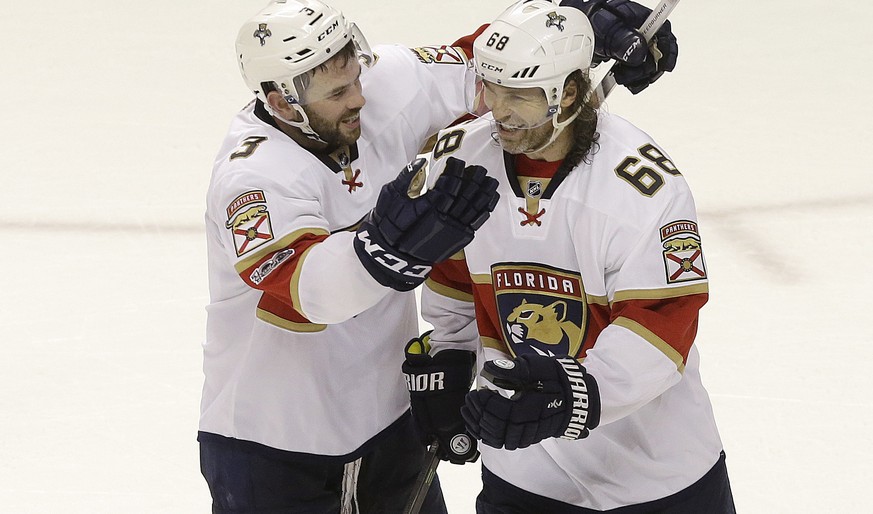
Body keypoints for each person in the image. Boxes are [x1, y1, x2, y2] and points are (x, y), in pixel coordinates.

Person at [200, 0, 680, 511]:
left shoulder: (387, 82)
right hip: (273, 446)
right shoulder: (251, 178)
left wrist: (584, 20)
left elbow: (489, 64)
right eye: (338, 93)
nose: (361, 97)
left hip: (391, 425)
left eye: (355, 75)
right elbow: (310, 292)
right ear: (280, 103)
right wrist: (386, 245)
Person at [403, 1, 735, 512]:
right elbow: (453, 277)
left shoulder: (643, 186)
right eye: (492, 88)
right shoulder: (461, 159)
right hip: (523, 477)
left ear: (571, 92)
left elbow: (664, 321)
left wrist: (571, 396)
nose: (499, 110)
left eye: (520, 94)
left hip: (655, 478)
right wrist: (450, 356)